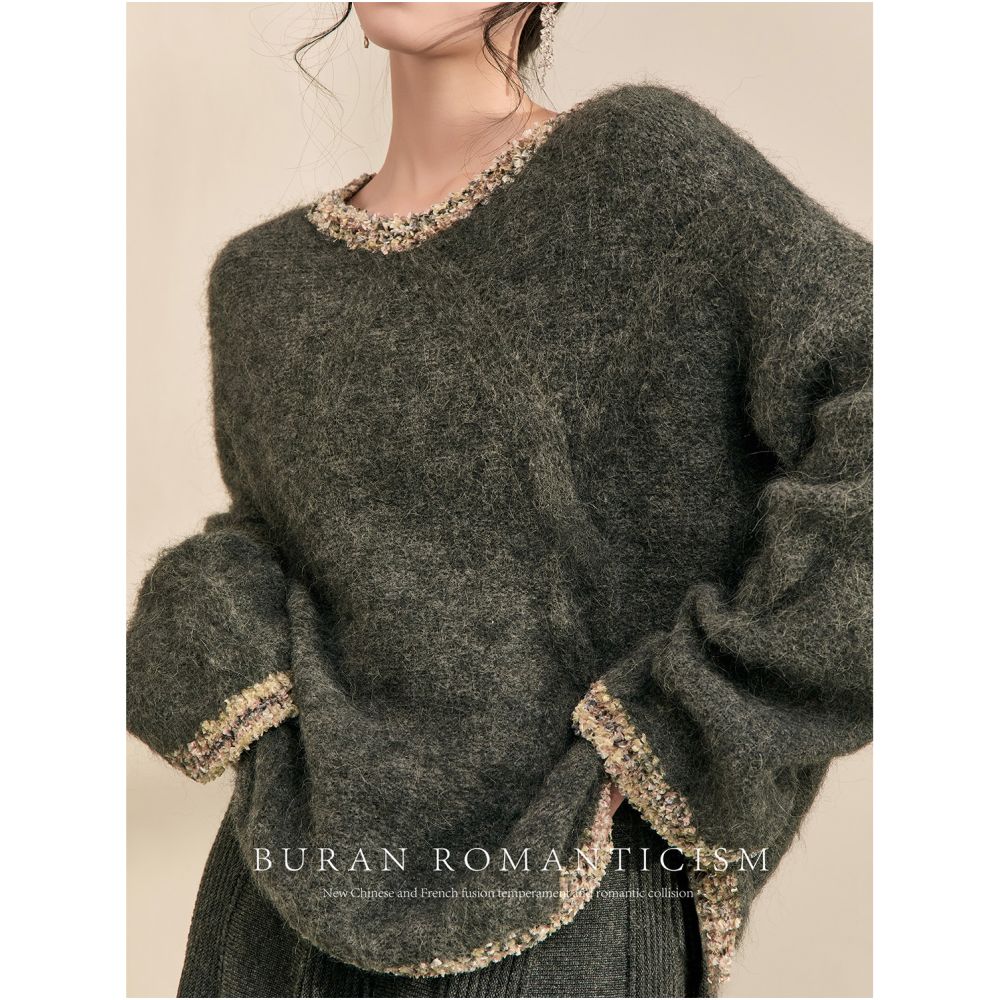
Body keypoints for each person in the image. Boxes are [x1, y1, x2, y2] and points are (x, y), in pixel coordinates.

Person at [126, 3, 873, 997]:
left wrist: (698, 719)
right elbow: (284, 544)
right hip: (277, 896)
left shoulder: (640, 169)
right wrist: (222, 625)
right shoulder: (261, 283)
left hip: (567, 888)